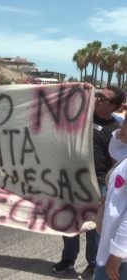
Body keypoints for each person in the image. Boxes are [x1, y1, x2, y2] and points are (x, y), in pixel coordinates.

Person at [52, 85, 126, 276]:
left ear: (115, 106)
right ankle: (68, 259)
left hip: (97, 183)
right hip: (71, 179)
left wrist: (109, 190)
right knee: (68, 221)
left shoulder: (116, 131)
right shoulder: (83, 116)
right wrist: (84, 89)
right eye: (98, 95)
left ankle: (93, 262)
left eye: (103, 98)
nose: (98, 99)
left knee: (95, 227)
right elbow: (63, 103)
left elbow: (117, 162)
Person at [92, 116, 127, 280]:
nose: (120, 129)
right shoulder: (124, 156)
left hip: (120, 254)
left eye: (124, 127)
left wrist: (118, 253)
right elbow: (115, 146)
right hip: (112, 245)